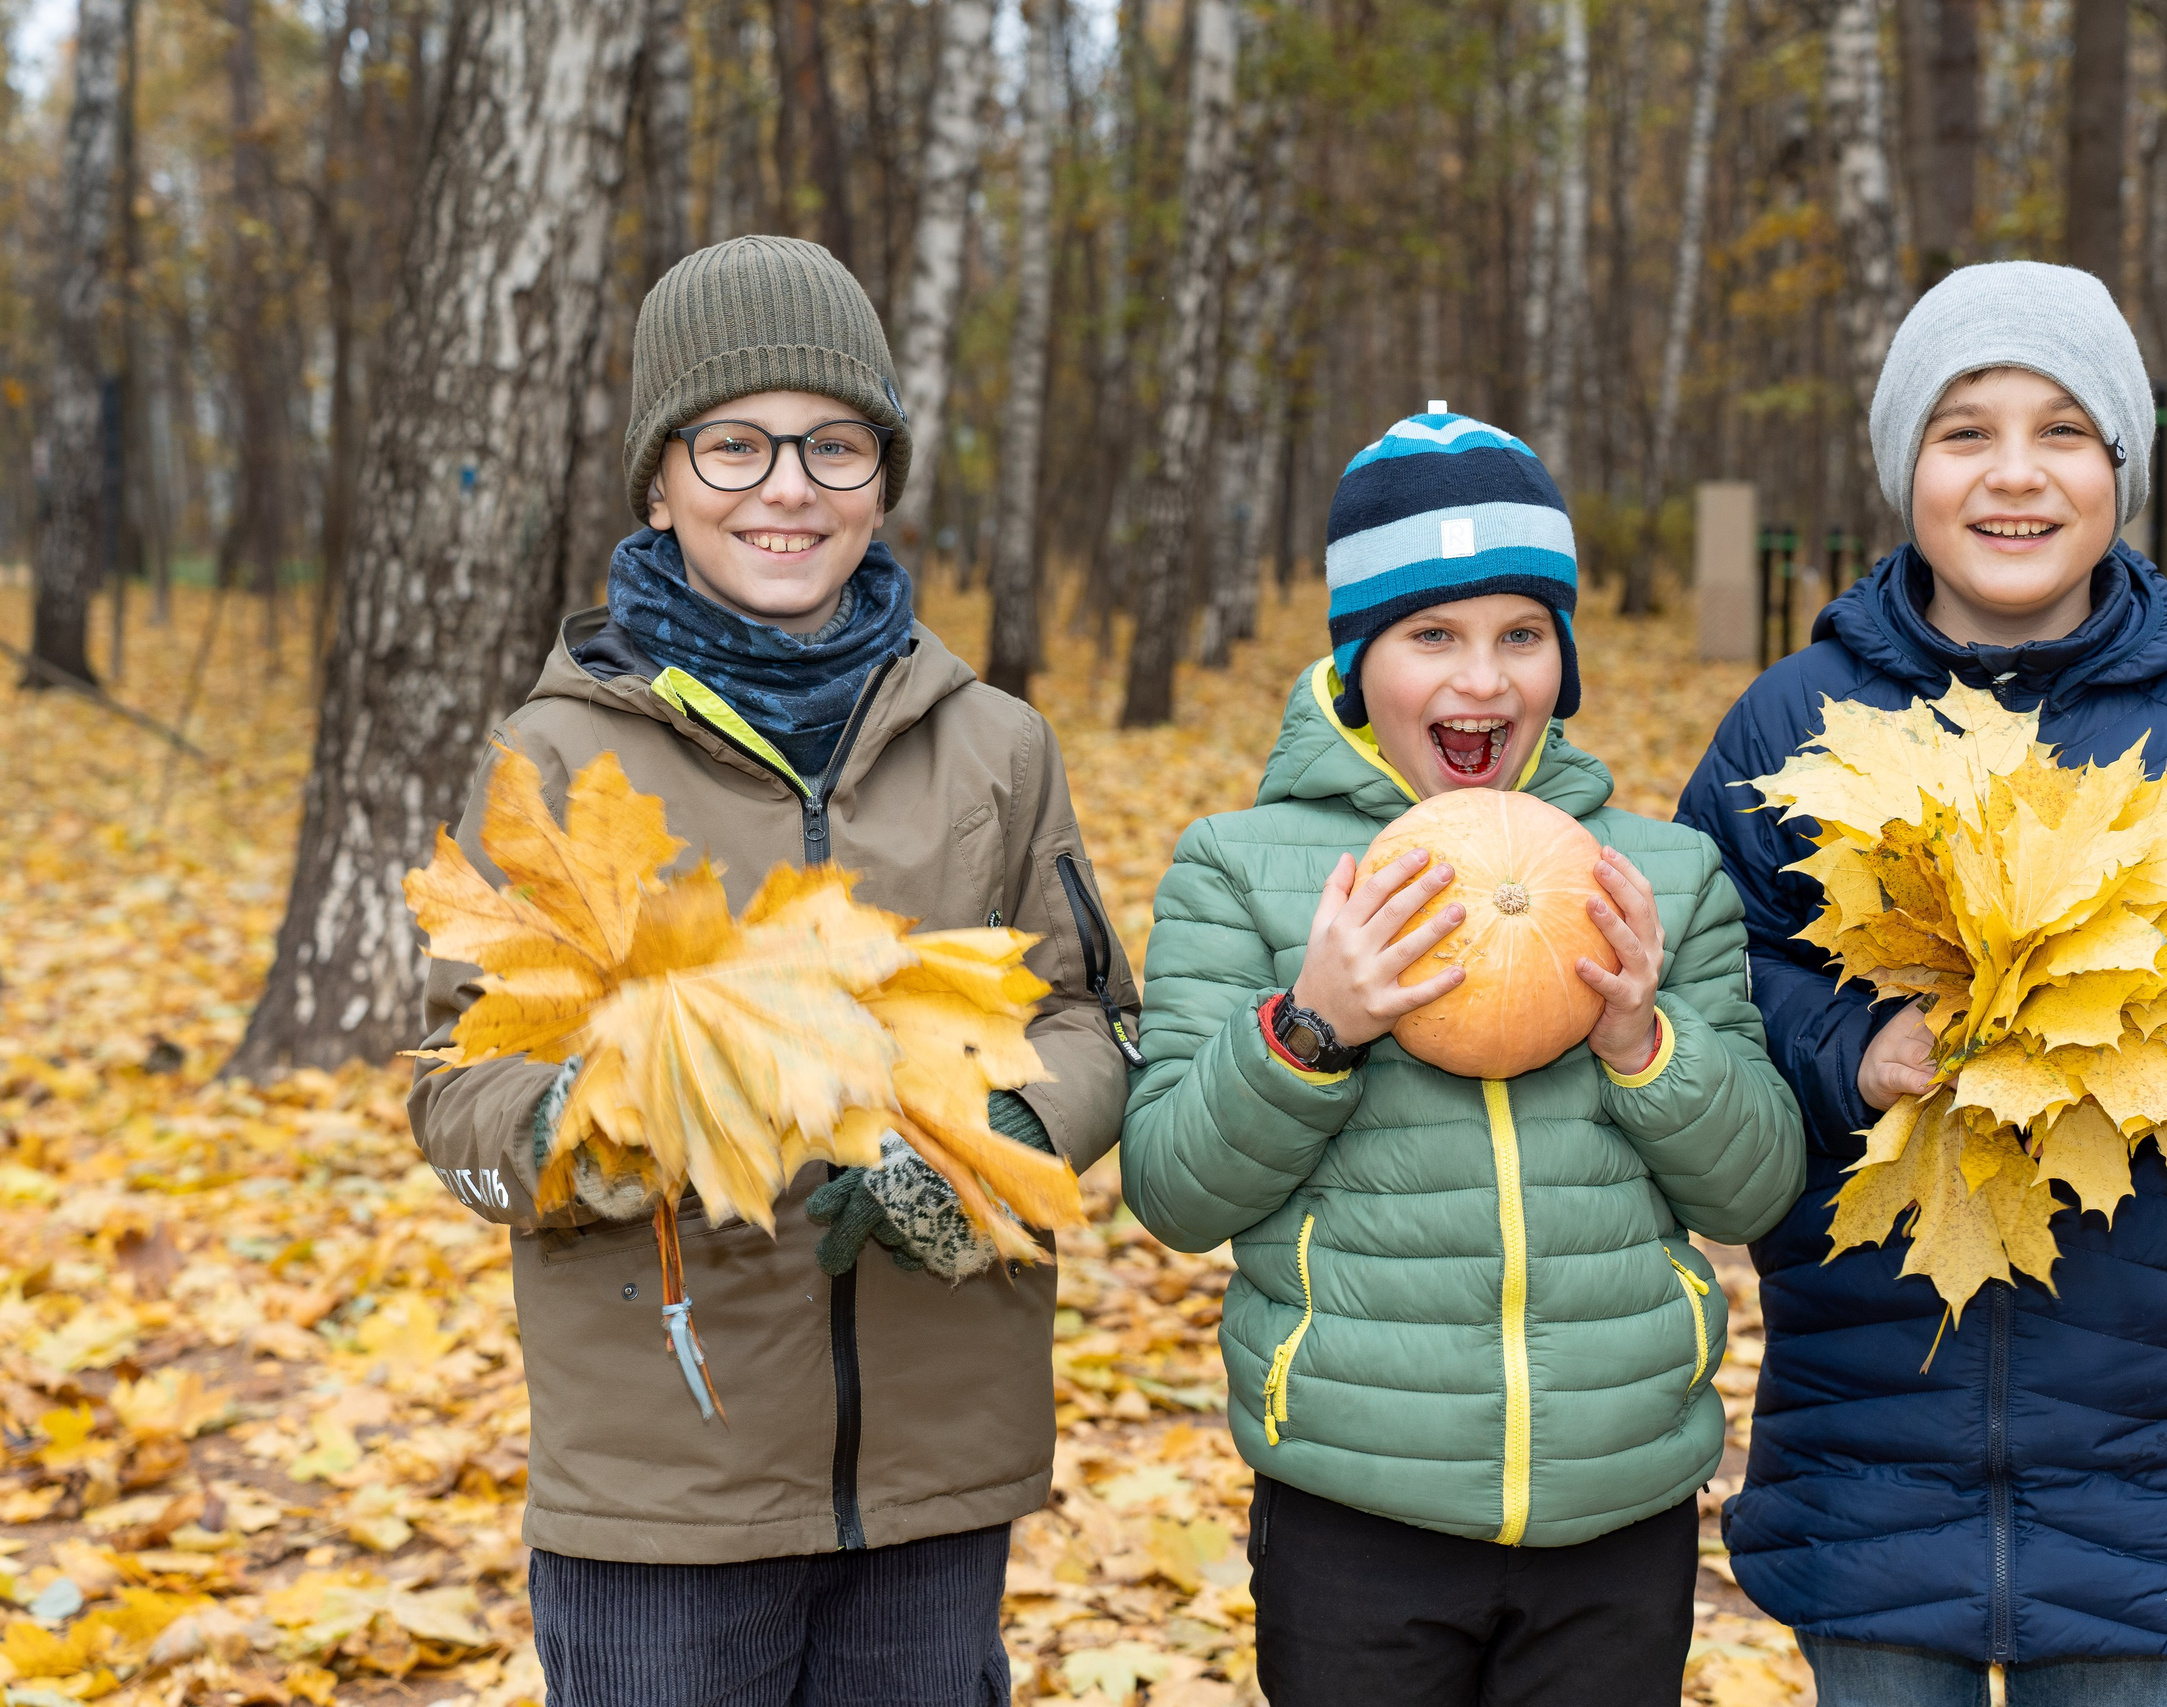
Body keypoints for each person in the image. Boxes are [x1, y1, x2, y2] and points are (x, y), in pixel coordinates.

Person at [407, 235, 1140, 1707]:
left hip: (939, 1460)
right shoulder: (557, 755)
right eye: (733, 445)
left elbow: (1090, 1017)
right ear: (661, 481)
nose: (788, 488)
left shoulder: (994, 746)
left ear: (884, 473)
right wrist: (574, 1137)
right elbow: (456, 1085)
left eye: (834, 444)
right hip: (664, 1481)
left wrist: (1002, 1140)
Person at [1677, 262, 2167, 1706]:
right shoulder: (1794, 721)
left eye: (2065, 430)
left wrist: (2149, 1032)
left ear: (2120, 464)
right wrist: (1845, 1050)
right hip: (1869, 1440)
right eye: (1966, 431)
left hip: (2144, 1451)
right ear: (1905, 469)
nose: (2016, 474)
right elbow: (1704, 985)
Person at [1117, 408, 1804, 1706]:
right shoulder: (1243, 869)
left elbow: (1753, 1190)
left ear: (1565, 658)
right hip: (1355, 1511)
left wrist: (1644, 1041)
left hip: (1621, 1506)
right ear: (1358, 657)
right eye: (1432, 635)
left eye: (1521, 636)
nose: (1482, 682)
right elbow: (1172, 1189)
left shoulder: (1659, 875)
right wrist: (1309, 1027)